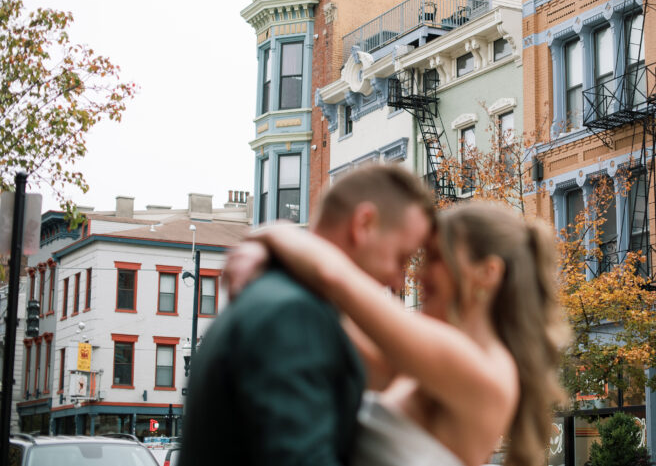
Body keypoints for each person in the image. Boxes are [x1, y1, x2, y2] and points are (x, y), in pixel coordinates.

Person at [230, 201, 568, 466]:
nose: (417, 274)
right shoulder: (427, 367)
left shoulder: (483, 370)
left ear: (488, 272)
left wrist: (269, 234)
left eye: (435, 257)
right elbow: (335, 319)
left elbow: (333, 278)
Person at [179, 164, 436, 466]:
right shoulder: (294, 316)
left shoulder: (280, 299)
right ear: (363, 225)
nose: (397, 280)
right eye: (401, 258)